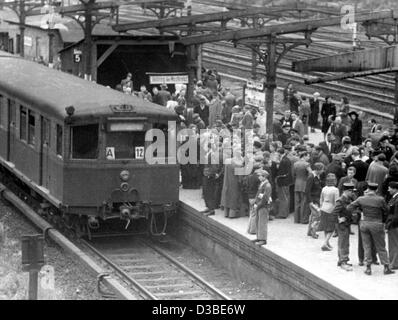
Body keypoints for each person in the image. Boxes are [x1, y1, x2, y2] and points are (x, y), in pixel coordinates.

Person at [347, 182, 395, 275]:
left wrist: (359, 211)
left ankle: (368, 268)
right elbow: (387, 210)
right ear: (376, 190)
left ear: (368, 189)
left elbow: (349, 207)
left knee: (367, 246)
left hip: (364, 223)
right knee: (381, 246)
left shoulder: (361, 199)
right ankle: (386, 267)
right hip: (377, 224)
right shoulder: (380, 199)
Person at [333, 182, 356, 271]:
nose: (353, 193)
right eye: (351, 191)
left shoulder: (348, 199)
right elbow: (334, 213)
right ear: (347, 191)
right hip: (342, 225)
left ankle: (341, 260)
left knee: (343, 242)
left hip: (346, 224)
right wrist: (339, 220)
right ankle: (343, 261)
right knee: (344, 243)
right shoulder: (341, 200)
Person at [319, 173, 340, 251]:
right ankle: (325, 243)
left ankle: (327, 242)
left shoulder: (324, 188)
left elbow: (321, 199)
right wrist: (336, 212)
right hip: (331, 209)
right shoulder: (335, 190)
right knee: (331, 228)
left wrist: (321, 207)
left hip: (323, 208)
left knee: (325, 227)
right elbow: (336, 201)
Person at [252, 169, 272, 246]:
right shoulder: (263, 184)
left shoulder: (267, 185)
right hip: (259, 205)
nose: (258, 177)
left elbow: (265, 198)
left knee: (262, 222)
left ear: (264, 177)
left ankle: (263, 239)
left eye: (260, 176)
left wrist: (258, 205)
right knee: (258, 221)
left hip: (263, 206)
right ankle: (259, 237)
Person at [202, 143, 223, 216]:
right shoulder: (210, 154)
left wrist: (211, 174)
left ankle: (211, 209)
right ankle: (208, 207)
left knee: (209, 192)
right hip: (207, 174)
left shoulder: (213, 155)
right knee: (206, 192)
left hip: (209, 176)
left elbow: (214, 167)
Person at [306, 162, 325, 238]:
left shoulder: (316, 176)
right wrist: (310, 201)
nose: (323, 171)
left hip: (315, 199)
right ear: (318, 170)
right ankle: (313, 232)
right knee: (317, 216)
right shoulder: (312, 177)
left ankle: (309, 231)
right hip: (313, 200)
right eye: (322, 169)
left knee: (313, 216)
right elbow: (307, 190)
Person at [293, 151, 311, 224]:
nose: (308, 157)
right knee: (304, 202)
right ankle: (303, 219)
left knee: (297, 202)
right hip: (304, 183)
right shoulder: (307, 164)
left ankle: (296, 219)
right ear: (304, 156)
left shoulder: (295, 164)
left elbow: (293, 174)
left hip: (297, 183)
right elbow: (310, 173)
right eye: (308, 156)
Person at [274, 147, 292, 219]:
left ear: (279, 153)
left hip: (283, 182)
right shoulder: (286, 159)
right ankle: (285, 213)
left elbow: (281, 173)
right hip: (286, 182)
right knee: (286, 197)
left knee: (283, 198)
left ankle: (282, 214)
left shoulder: (283, 161)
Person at [386, 181, 398, 269]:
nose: (388, 189)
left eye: (389, 188)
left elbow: (395, 215)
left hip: (394, 225)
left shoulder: (396, 199)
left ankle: (394, 263)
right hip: (393, 225)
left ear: (394, 189)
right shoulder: (394, 197)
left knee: (394, 244)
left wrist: (389, 225)